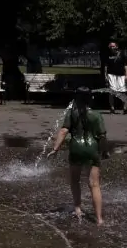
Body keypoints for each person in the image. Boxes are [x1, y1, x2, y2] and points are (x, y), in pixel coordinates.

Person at [47, 87, 108, 225]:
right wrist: (104, 151)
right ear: (90, 98)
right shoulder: (97, 115)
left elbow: (63, 131)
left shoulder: (71, 113)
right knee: (94, 184)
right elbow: (102, 136)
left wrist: (56, 148)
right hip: (92, 149)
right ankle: (99, 219)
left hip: (76, 149)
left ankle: (78, 209)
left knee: (75, 180)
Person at [104, 42, 126, 114]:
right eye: (110, 46)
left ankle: (125, 108)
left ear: (116, 46)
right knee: (111, 92)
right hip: (111, 75)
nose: (111, 47)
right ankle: (112, 108)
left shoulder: (122, 54)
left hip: (121, 75)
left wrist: (126, 75)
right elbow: (106, 67)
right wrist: (106, 76)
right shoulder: (107, 55)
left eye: (113, 46)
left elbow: (125, 66)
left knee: (123, 91)